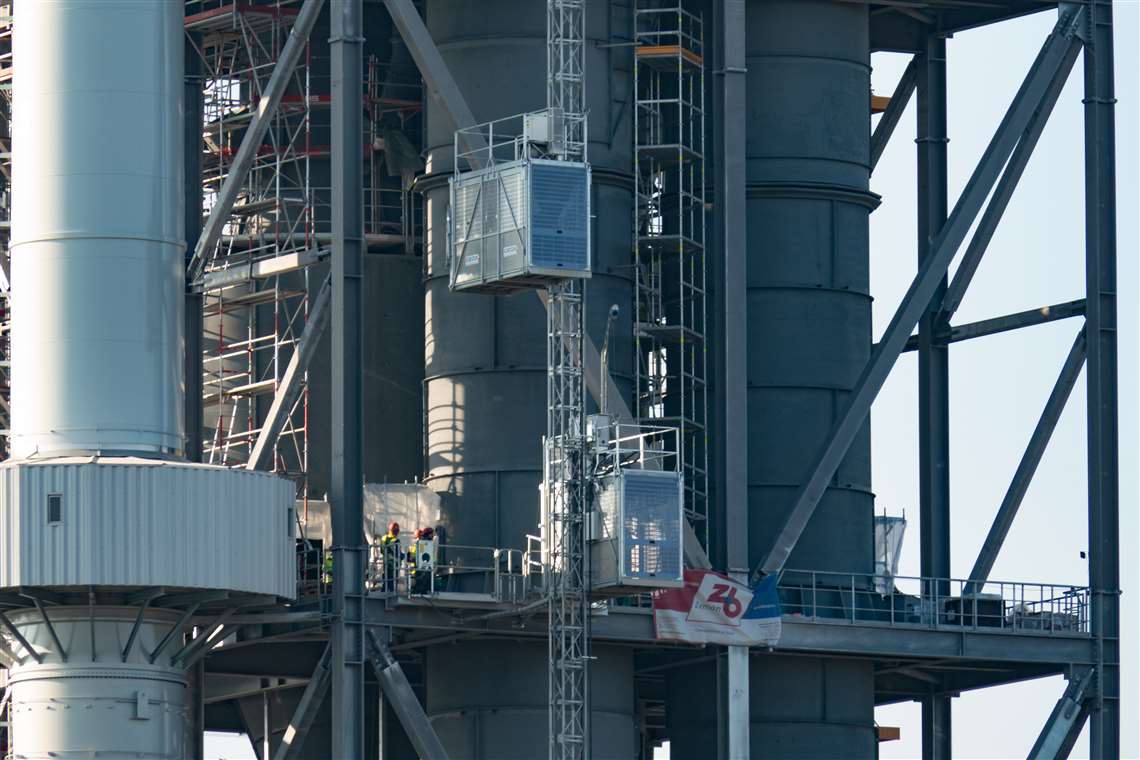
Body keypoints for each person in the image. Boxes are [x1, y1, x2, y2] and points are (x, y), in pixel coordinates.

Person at [380, 522, 401, 593]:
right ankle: (392, 592)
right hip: (394, 563)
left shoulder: (384, 538)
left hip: (386, 562)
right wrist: (404, 556)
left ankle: (383, 592)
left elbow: (382, 550)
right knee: (392, 581)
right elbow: (398, 554)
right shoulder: (396, 540)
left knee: (386, 579)